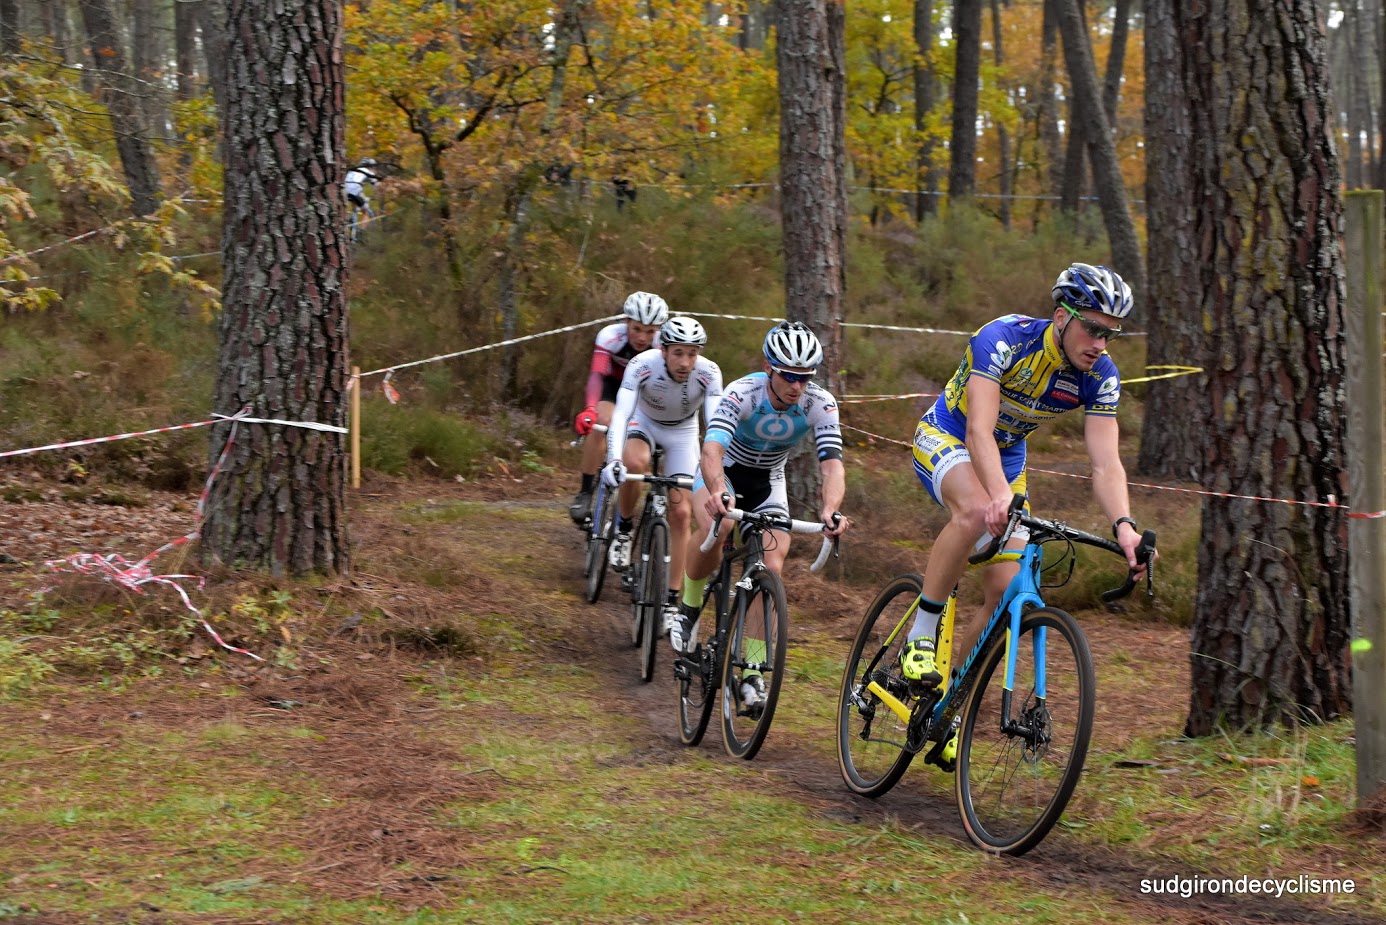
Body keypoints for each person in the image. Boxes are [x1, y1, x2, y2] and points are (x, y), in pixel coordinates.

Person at [903, 263, 1151, 693]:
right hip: (949, 435)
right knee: (978, 511)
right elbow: (978, 429)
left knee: (1005, 592)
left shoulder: (1101, 376)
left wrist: (1124, 526)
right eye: (1092, 329)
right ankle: (920, 635)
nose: (1099, 344)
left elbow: (1107, 464)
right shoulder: (1003, 339)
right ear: (1061, 317)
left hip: (1009, 460)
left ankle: (948, 704)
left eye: (1110, 333)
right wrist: (998, 496)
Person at [674, 321, 851, 707]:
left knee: (771, 567)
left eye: (805, 377)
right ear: (769, 367)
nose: (797, 386)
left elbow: (832, 465)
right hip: (724, 472)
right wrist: (719, 490)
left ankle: (753, 673)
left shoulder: (820, 404)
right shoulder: (742, 393)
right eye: (789, 376)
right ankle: (687, 605)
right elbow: (711, 452)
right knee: (717, 532)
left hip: (769, 480)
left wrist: (831, 509)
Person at [602, 316, 723, 635]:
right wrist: (614, 458)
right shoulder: (642, 364)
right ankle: (624, 528)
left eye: (692, 353)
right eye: (678, 353)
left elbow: (715, 427)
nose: (685, 362)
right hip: (644, 423)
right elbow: (622, 414)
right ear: (664, 350)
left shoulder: (709, 373)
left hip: (683, 432)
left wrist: (717, 472)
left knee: (682, 512)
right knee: (635, 463)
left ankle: (671, 600)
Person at [569, 292, 670, 524]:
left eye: (650, 331)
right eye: (637, 329)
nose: (643, 337)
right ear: (626, 322)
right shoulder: (610, 336)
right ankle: (584, 492)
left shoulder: (663, 344)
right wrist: (590, 409)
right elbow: (597, 374)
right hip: (614, 387)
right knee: (601, 423)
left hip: (645, 392)